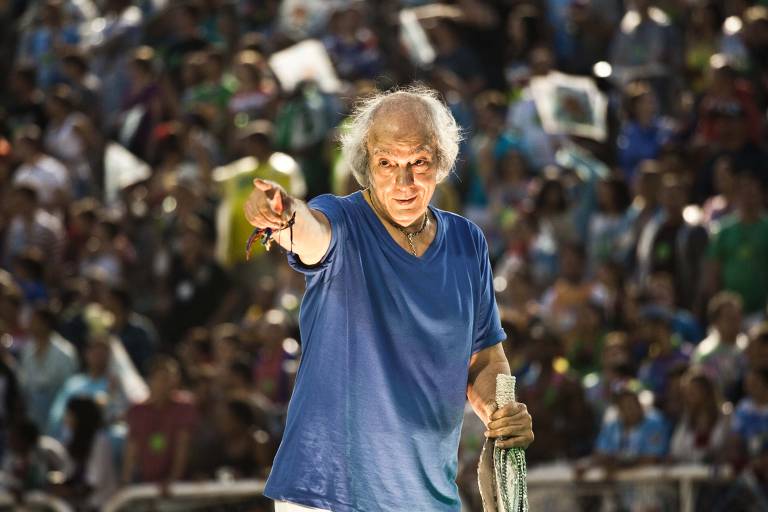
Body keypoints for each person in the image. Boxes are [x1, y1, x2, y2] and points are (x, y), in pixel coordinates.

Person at [243, 86, 533, 511]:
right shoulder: (343, 221)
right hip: (327, 497)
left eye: (418, 162)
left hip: (426, 498)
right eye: (387, 163)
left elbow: (486, 358)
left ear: (440, 161)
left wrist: (500, 412)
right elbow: (309, 231)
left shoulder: (467, 242)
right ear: (366, 163)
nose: (404, 181)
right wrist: (283, 213)